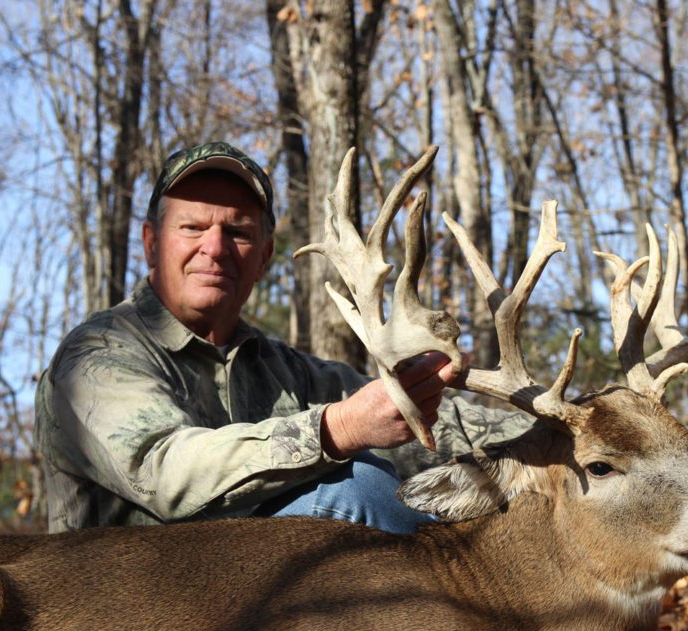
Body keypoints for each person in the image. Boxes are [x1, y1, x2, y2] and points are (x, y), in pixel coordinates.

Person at [35, 141, 531, 535]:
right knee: (356, 495)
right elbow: (165, 471)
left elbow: (450, 429)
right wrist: (337, 428)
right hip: (125, 622)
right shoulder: (96, 357)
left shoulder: (283, 372)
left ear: (265, 255)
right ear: (150, 243)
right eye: (192, 227)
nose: (215, 248)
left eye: (239, 233)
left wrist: (572, 428)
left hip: (246, 618)